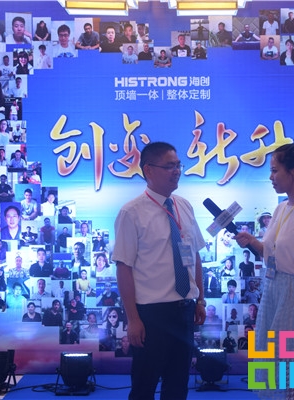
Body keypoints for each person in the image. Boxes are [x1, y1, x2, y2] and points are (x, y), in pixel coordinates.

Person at [234, 136, 294, 399]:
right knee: (267, 358)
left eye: (275, 171)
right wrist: (252, 241)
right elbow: (270, 252)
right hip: (272, 290)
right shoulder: (281, 208)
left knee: (292, 364)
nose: (271, 177)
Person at [112, 141, 206, 400]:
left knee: (177, 385)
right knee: (144, 386)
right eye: (169, 166)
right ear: (149, 170)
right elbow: (124, 268)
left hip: (185, 311)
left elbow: (195, 255)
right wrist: (133, 319)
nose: (177, 171)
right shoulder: (131, 212)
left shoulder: (184, 206)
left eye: (178, 165)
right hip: (151, 315)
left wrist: (199, 299)